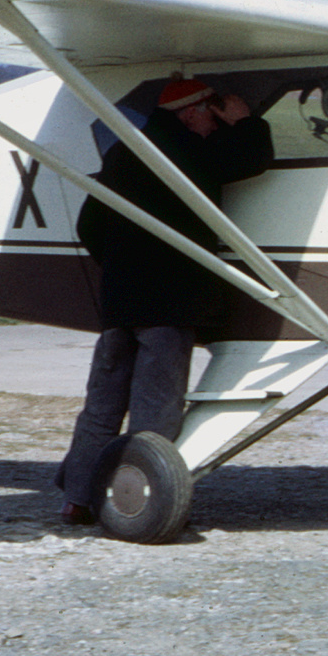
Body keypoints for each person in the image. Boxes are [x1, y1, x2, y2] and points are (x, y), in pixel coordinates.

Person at [57, 78, 273, 523]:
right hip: (167, 308)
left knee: (102, 404)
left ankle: (77, 498)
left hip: (120, 305)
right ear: (192, 113)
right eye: (212, 117)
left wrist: (123, 272)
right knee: (156, 409)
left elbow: (90, 227)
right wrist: (246, 122)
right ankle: (137, 502)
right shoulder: (185, 151)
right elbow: (248, 158)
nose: (215, 126)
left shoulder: (125, 152)